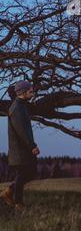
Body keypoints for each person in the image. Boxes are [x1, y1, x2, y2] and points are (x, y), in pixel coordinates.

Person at [0, 81, 40, 210]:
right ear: (22, 92)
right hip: (20, 149)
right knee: (23, 174)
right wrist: (32, 145)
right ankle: (18, 204)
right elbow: (22, 131)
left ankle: (9, 192)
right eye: (30, 91)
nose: (32, 93)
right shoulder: (17, 108)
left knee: (30, 172)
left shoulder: (22, 106)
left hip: (23, 149)